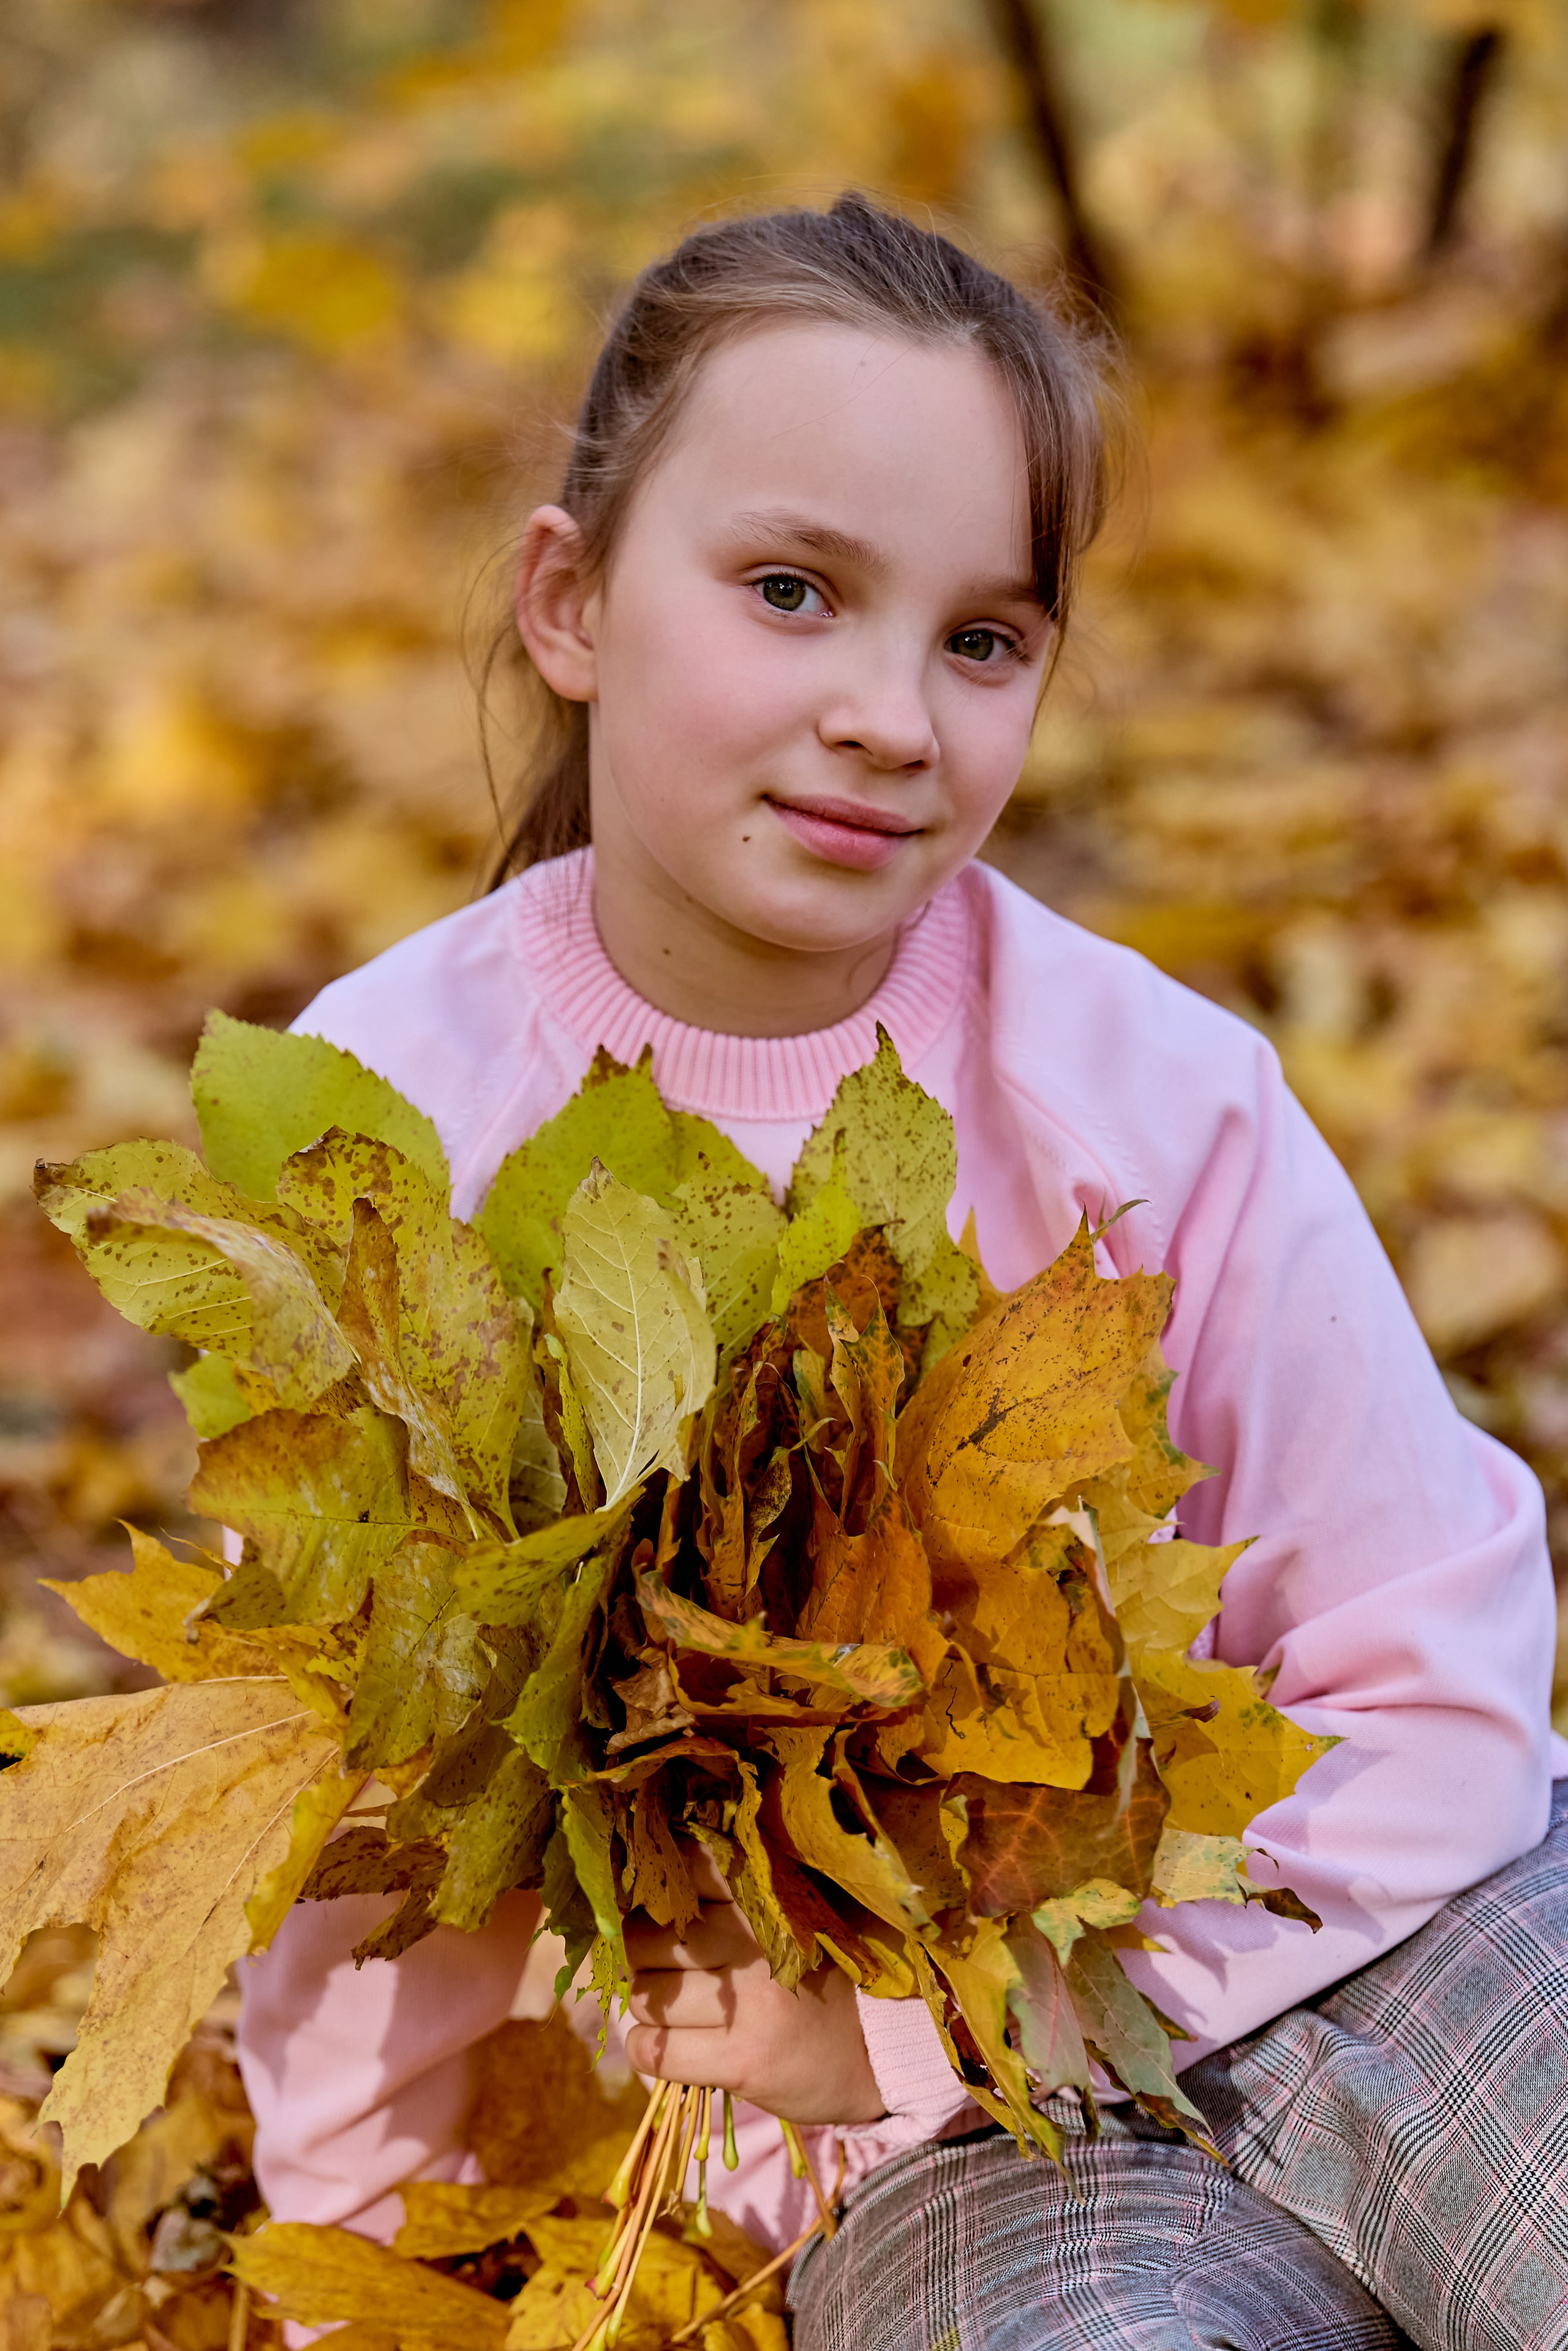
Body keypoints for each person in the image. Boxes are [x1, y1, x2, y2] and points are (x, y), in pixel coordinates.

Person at [234, 195, 1568, 2351]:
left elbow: (1437, 1694)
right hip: (920, 2152)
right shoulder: (392, 1128)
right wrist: (372, 2289)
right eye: (793, 593)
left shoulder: (1150, 1095)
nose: (890, 716)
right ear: (571, 604)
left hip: (1397, 1948)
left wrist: (984, 2009)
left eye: (984, 640)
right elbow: (361, 1826)